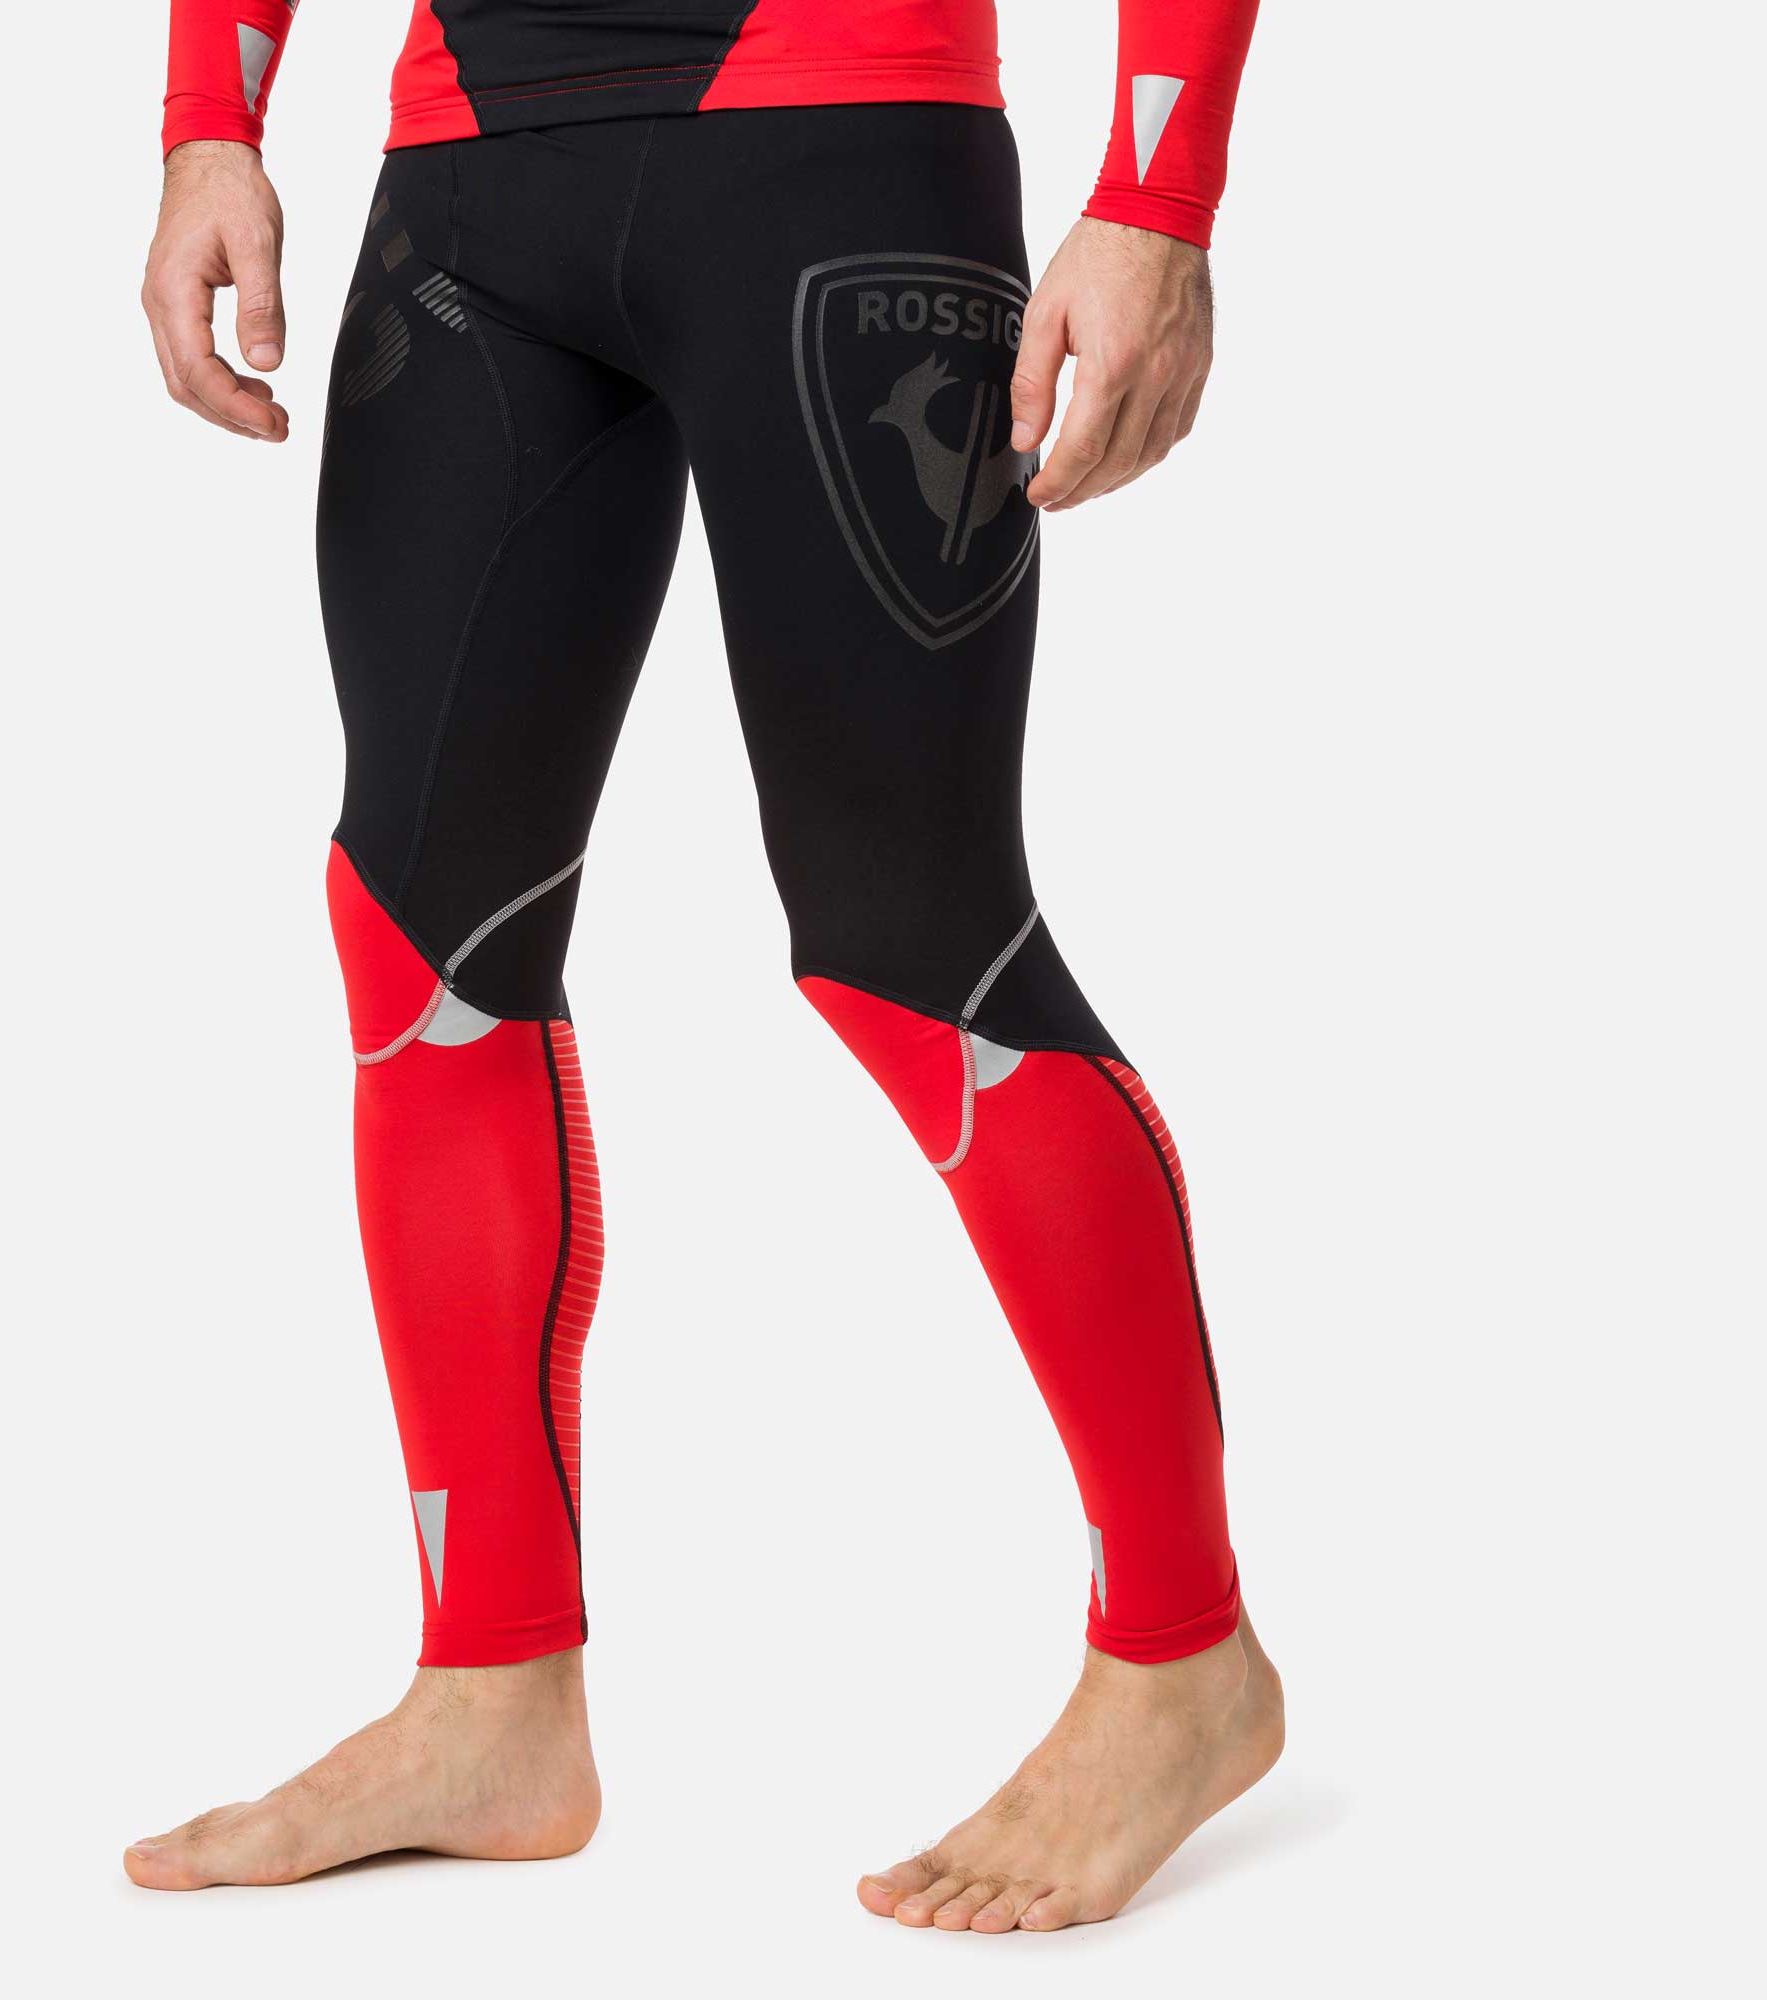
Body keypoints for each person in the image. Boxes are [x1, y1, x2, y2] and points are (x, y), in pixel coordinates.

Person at [129, 0, 1281, 1931]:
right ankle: (491, 1697)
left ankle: (1183, 1658)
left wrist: (1157, 194)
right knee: (423, 945)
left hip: (837, 142)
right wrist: (207, 114)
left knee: (922, 950)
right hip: (471, 169)